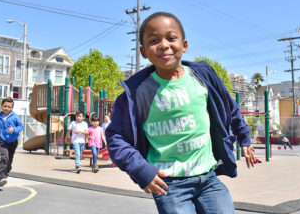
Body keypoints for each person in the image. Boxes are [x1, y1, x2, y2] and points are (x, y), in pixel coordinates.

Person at [106, 12, 255, 213]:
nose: (164, 45)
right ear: (143, 51)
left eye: (171, 38)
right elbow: (116, 138)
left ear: (184, 45)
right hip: (170, 184)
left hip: (208, 178)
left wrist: (244, 137)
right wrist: (141, 170)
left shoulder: (203, 77)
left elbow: (229, 108)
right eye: (154, 40)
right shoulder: (135, 94)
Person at [0, 97, 24, 187]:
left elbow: (21, 126)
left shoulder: (15, 117)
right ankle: (1, 178)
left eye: (9, 107)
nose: (6, 108)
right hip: (2, 141)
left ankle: (6, 172)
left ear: (12, 108)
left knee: (9, 159)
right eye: (5, 106)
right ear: (1, 106)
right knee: (4, 157)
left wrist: (14, 129)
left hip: (13, 142)